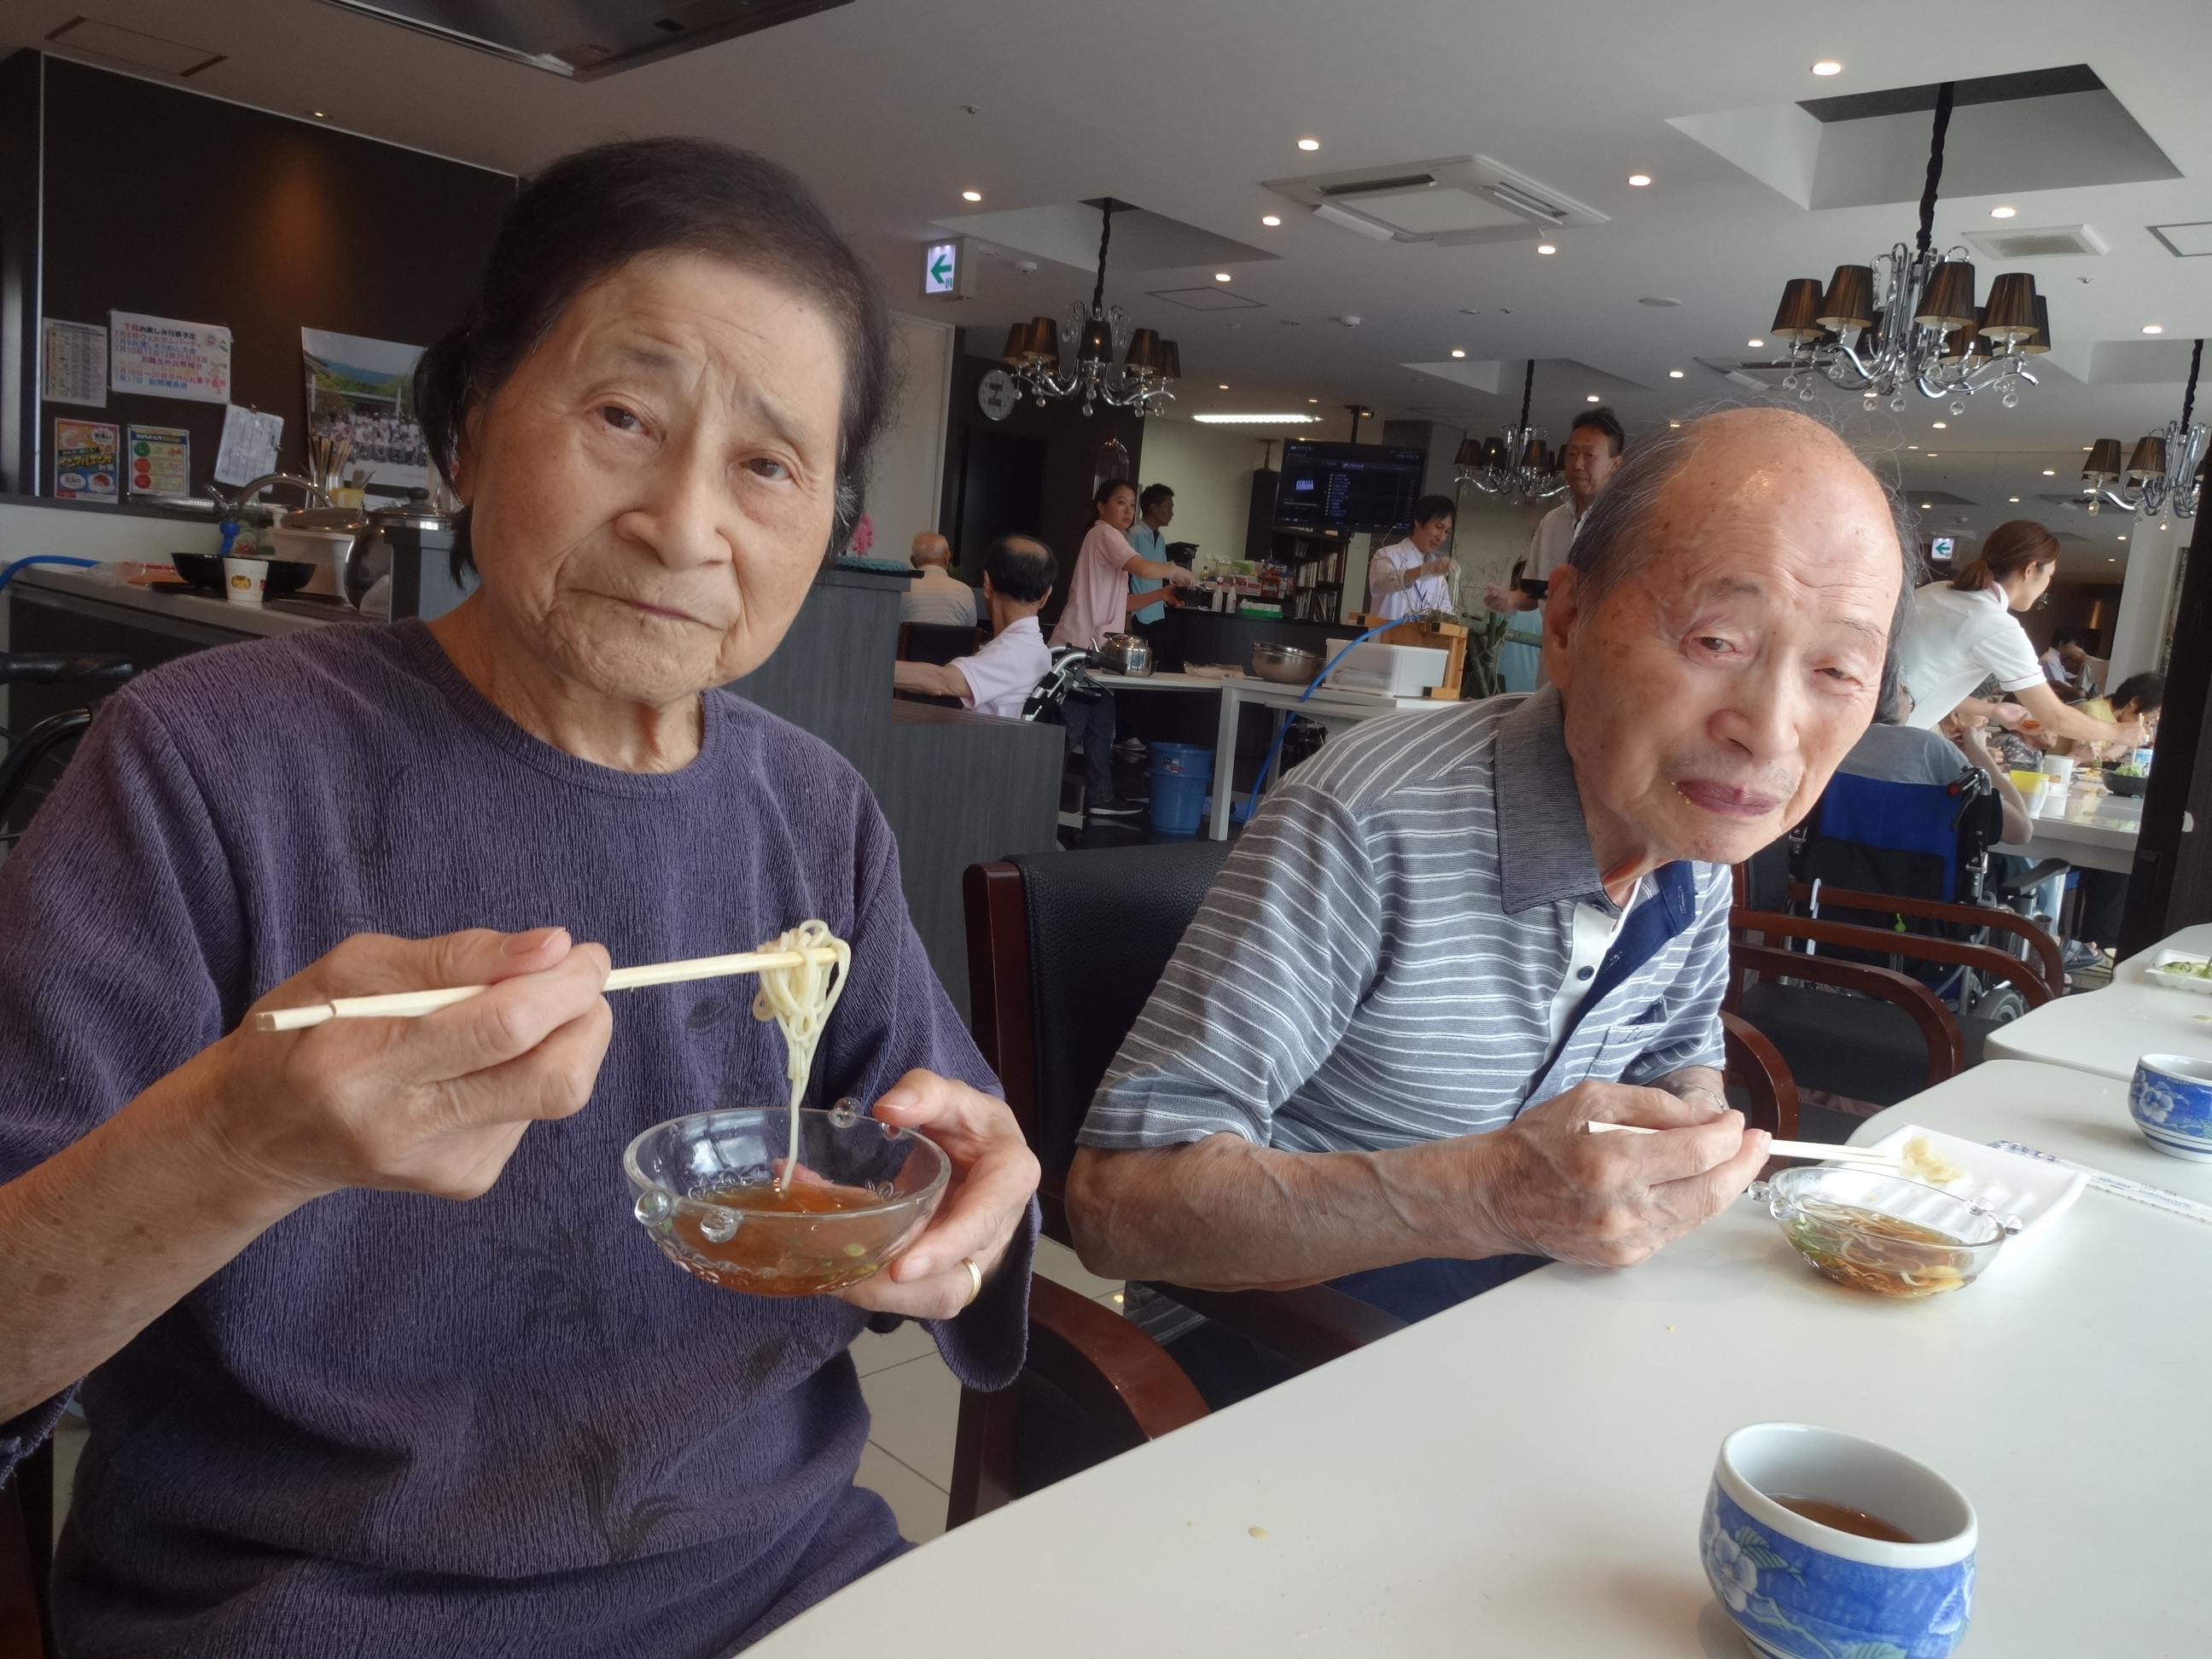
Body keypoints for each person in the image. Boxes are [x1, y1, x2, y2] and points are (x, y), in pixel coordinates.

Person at [0, 139, 1041, 1657]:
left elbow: (944, 1161)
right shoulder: (205, 761)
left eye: (767, 464)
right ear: (470, 426)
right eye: (623, 417)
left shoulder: (814, 812)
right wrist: (235, 1141)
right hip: (315, 1615)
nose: (685, 525)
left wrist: (977, 1201)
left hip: (785, 1584)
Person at [1065, 407, 1909, 1403]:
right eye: (1716, 639)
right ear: (1567, 623)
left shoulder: (1697, 842)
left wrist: (1689, 1126)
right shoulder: (1372, 819)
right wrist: (1494, 1194)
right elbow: (1118, 1206)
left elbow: (1675, 1052)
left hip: (1534, 1339)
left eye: (1837, 670)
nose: (1768, 732)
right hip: (1278, 1363)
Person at [1893, 519, 2143, 749]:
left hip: (1876, 722)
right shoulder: (1994, 624)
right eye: (2049, 576)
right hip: (1889, 740)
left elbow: (1920, 680)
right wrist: (2117, 732)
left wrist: (1993, 711)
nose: (2047, 585)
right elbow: (2055, 717)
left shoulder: (1935, 591)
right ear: (2031, 569)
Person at [1050, 477, 1196, 818]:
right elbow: (1142, 566)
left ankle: (1101, 798)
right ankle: (1037, 795)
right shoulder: (1104, 533)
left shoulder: (1107, 539)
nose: (1128, 510)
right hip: (1078, 649)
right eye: (1120, 502)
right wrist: (1173, 570)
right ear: (1101, 506)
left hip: (1097, 653)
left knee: (1102, 729)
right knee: (1070, 731)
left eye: (1131, 504)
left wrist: (1160, 594)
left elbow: (1123, 602)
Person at [1836, 673, 2034, 847]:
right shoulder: (1928, 747)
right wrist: (1978, 750)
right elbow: (2020, 830)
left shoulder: (1833, 744)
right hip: (1913, 873)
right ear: (1899, 690)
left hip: (1831, 874)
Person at [1484, 406, 1626, 619]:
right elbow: (1534, 592)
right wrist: (1511, 599)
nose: (1578, 464)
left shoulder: (1626, 523)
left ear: (1615, 464)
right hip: (1552, 637)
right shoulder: (1551, 522)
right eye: (1572, 454)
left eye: (1589, 455)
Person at [892, 535, 1056, 718]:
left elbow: (942, 681)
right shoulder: (1033, 647)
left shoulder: (1013, 650)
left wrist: (871, 667)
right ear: (1045, 597)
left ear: (986, 584)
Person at [1366, 495, 1458, 620]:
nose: (1441, 537)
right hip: (1387, 633)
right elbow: (1385, 583)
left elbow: (1447, 617)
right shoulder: (1386, 555)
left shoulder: (1439, 576)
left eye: (1447, 531)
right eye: (1438, 527)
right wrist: (1426, 569)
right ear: (1418, 521)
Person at [900, 531, 981, 628]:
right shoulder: (965, 592)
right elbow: (970, 632)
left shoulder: (902, 590)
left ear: (913, 561)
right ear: (946, 557)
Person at [1125, 483, 1176, 631]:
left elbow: (1163, 575)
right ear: (1154, 508)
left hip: (1157, 612)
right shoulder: (1134, 535)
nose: (1172, 513)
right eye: (1169, 508)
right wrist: (1127, 615)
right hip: (1138, 614)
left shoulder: (1160, 539)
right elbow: (1125, 577)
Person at [2039, 626, 2088, 690]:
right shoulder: (2049, 660)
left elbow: (2070, 675)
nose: (2075, 648)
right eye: (2073, 644)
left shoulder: (2058, 658)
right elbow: (2058, 686)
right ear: (2061, 643)